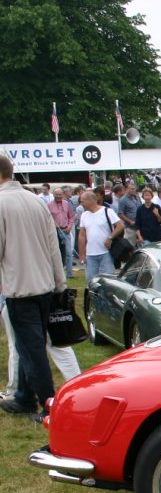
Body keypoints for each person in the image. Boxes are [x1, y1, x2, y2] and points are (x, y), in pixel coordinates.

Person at [0, 154, 68, 422]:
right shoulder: (35, 201)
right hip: (44, 286)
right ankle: (25, 397)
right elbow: (55, 246)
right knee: (30, 346)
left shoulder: (3, 202)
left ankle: (48, 404)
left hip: (21, 287)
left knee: (32, 349)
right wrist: (60, 283)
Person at [78, 190, 124, 279]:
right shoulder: (84, 215)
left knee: (108, 279)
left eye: (82, 201)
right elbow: (82, 235)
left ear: (89, 201)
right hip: (90, 254)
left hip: (106, 252)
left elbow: (120, 226)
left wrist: (110, 237)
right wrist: (81, 254)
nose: (81, 204)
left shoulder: (107, 211)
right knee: (90, 280)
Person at [47, 187, 75, 277]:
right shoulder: (49, 205)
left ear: (62, 194)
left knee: (69, 253)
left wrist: (70, 226)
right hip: (55, 231)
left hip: (66, 230)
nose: (58, 196)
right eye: (56, 195)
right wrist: (53, 224)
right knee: (57, 253)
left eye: (60, 194)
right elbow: (47, 218)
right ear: (53, 195)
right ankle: (58, 273)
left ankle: (69, 273)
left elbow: (72, 216)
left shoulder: (67, 204)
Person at [118, 182, 142, 247]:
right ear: (126, 189)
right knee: (130, 247)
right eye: (131, 189)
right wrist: (130, 221)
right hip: (130, 228)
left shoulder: (137, 197)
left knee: (141, 246)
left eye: (134, 188)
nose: (134, 190)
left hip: (140, 227)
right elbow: (120, 213)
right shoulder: (122, 200)